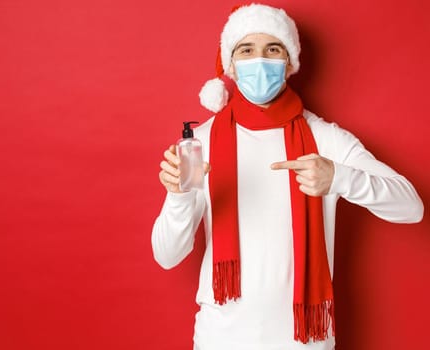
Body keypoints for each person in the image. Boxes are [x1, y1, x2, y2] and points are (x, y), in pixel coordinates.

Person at [151, 4, 424, 350]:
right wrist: (178, 196)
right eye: (247, 50)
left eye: (273, 49)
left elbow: (411, 207)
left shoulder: (325, 139)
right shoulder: (199, 143)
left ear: (290, 63)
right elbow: (167, 255)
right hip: (222, 337)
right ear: (231, 65)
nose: (260, 60)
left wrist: (340, 178)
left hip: (305, 340)